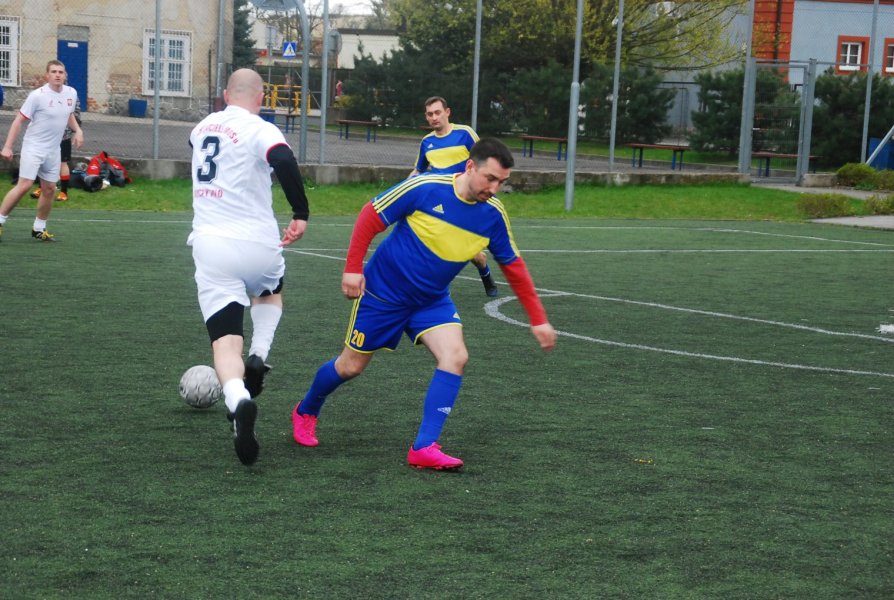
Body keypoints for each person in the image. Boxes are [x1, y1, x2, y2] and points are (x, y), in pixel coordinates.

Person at [292, 138, 557, 470]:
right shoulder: (425, 187)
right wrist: (352, 269)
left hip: (431, 299)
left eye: (501, 182)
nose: (494, 188)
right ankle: (306, 409)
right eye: (489, 178)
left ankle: (424, 447)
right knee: (350, 367)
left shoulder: (493, 215)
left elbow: (514, 267)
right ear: (470, 167)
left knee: (456, 356)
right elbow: (371, 215)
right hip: (384, 294)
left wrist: (538, 318)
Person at [188, 68, 310, 466]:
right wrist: (300, 212)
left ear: (225, 95)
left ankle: (238, 400)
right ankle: (258, 354)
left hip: (211, 245)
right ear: (260, 98)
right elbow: (283, 158)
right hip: (258, 243)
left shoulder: (202, 127)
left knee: (225, 342)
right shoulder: (260, 127)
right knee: (270, 292)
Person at [409, 96, 498, 297]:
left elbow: (485, 160)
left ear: (447, 112)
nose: (434, 117)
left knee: (472, 254)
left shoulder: (465, 134)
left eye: (437, 112)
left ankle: (485, 272)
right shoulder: (427, 142)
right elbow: (418, 170)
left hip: (467, 201)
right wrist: (401, 190)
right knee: (432, 243)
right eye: (430, 114)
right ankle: (431, 290)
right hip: (440, 204)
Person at [0, 60, 83, 242]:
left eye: (61, 72)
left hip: (54, 150)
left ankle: (39, 228)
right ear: (47, 75)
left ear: (65, 75)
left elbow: (69, 114)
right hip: (34, 147)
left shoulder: (71, 93)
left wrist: (78, 130)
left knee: (50, 188)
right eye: (53, 72)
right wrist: (7, 146)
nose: (57, 75)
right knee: (25, 185)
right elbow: (18, 120)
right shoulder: (37, 96)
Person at [30, 100, 82, 202]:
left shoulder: (71, 95)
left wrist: (76, 130)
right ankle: (41, 188)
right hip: (47, 134)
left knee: (63, 163)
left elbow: (76, 113)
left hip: (64, 136)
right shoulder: (46, 93)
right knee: (44, 161)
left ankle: (64, 192)